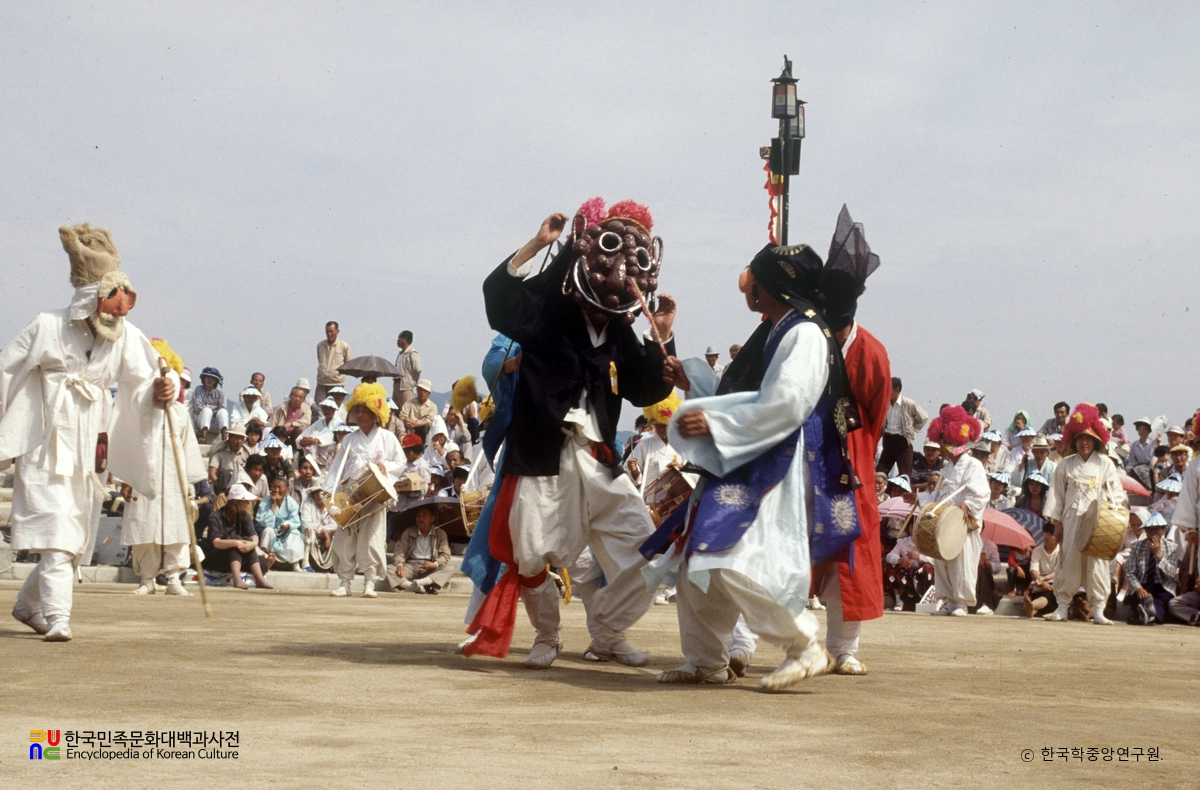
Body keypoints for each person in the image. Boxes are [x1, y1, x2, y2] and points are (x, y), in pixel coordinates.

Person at [466, 202, 675, 670]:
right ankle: (547, 636)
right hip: (543, 454)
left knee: (648, 548)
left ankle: (608, 632)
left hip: (600, 461)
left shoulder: (620, 333)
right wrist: (542, 244)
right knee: (530, 553)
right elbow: (499, 297)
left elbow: (647, 389)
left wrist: (661, 334)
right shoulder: (546, 315)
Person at [653, 236, 854, 689]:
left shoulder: (804, 332)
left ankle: (806, 646)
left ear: (770, 286)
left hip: (773, 464)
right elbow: (746, 391)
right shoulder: (779, 328)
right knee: (698, 558)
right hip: (747, 457)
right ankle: (707, 660)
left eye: (755, 278)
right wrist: (694, 382)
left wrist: (719, 424)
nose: (747, 285)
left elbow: (786, 403)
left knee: (726, 556)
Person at [3, 223, 178, 641]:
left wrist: (163, 390)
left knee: (72, 538)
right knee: (59, 534)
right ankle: (58, 617)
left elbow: (147, 378)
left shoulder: (125, 336)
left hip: (88, 447)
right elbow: (7, 372)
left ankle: (27, 606)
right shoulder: (47, 326)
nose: (114, 315)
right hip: (45, 443)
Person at [810, 205, 890, 676]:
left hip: (851, 463)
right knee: (796, 546)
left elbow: (875, 418)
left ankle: (844, 648)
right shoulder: (808, 340)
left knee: (851, 556)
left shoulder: (872, 352)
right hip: (808, 456)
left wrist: (855, 452)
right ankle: (777, 643)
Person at [121, 338, 207, 597]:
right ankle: (147, 579)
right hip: (145, 476)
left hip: (173, 477)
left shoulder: (180, 413)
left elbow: (188, 447)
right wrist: (127, 478)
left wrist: (188, 483)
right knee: (144, 526)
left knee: (175, 527)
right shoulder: (137, 409)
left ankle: (173, 578)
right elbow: (129, 442)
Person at [1045, 403, 1126, 625]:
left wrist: (1108, 512)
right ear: (1074, 440)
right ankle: (1063, 606)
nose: (1084, 442)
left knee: (1097, 564)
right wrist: (1057, 524)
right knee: (1068, 561)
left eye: (1088, 438)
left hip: (1097, 522)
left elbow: (1117, 494)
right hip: (1070, 519)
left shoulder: (1105, 464)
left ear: (1096, 440)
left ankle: (1098, 608)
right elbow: (1056, 496)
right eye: (1080, 438)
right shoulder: (1065, 465)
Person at [322, 382, 404, 598]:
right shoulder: (349, 439)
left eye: (364, 410)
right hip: (349, 495)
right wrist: (329, 493)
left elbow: (400, 462)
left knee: (372, 539)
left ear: (375, 413)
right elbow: (337, 468)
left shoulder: (387, 438)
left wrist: (386, 468)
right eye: (357, 410)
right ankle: (344, 582)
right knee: (345, 538)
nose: (359, 414)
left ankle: (369, 582)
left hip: (374, 495)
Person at [919, 405, 988, 617]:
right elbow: (936, 496)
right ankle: (948, 600)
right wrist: (920, 500)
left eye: (945, 444)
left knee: (962, 563)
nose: (942, 448)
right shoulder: (946, 468)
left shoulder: (974, 465)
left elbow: (981, 493)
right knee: (942, 562)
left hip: (963, 523)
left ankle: (961, 603)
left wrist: (967, 504)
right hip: (944, 523)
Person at [201, 484, 272, 589]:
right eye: (245, 500)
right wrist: (235, 543)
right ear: (236, 501)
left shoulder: (244, 516)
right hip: (216, 557)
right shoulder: (215, 517)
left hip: (236, 557)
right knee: (236, 540)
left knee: (248, 542)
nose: (248, 503)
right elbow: (216, 542)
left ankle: (260, 580)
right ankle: (237, 580)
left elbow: (253, 535)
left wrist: (252, 544)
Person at [1124, 512, 1178, 624]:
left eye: (1156, 530)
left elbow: (1172, 573)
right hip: (1142, 584)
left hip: (1162, 586)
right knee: (1142, 598)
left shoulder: (1172, 547)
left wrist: (1159, 556)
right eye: (1149, 530)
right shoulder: (1137, 546)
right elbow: (1129, 572)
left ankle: (1150, 616)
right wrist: (1138, 588)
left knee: (1160, 601)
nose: (1152, 533)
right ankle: (1146, 613)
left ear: (1163, 531)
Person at [625, 393, 683, 494]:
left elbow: (693, 473)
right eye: (658, 425)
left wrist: (680, 468)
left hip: (675, 497)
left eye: (665, 425)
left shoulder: (683, 446)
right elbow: (630, 475)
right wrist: (634, 471)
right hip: (649, 496)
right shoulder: (644, 444)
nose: (661, 429)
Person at [392, 503, 455, 594]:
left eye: (424, 515)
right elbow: (399, 551)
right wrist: (400, 564)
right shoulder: (408, 532)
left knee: (450, 568)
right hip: (411, 566)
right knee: (390, 569)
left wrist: (434, 564)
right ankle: (411, 586)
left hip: (430, 566)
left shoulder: (440, 534)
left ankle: (423, 582)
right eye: (418, 515)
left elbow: (445, 555)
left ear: (432, 518)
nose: (420, 518)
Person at [875, 377, 927, 478]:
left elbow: (924, 417)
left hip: (903, 442)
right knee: (880, 472)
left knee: (905, 474)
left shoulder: (908, 403)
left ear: (896, 390)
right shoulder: (885, 404)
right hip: (888, 441)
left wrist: (912, 429)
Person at [883, 520, 935, 612]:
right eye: (911, 527)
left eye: (917, 527)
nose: (914, 530)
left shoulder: (928, 542)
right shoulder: (902, 542)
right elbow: (889, 556)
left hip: (921, 575)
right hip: (906, 574)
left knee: (927, 568)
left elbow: (935, 560)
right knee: (891, 567)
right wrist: (900, 560)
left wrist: (918, 557)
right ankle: (898, 601)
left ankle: (924, 600)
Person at [256, 476, 305, 571]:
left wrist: (288, 525)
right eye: (274, 487)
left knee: (294, 533)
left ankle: (295, 564)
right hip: (270, 531)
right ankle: (266, 561)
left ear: (287, 490)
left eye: (279, 488)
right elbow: (264, 522)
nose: (276, 490)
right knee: (268, 530)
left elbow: (295, 520)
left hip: (285, 532)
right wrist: (272, 505)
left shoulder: (291, 502)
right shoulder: (265, 501)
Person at [1022, 523, 1060, 617]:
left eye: (1050, 534)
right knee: (1039, 594)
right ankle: (1032, 608)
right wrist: (1041, 581)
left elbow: (1058, 571)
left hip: (1054, 585)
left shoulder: (1061, 551)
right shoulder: (1037, 551)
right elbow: (1033, 570)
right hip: (1039, 583)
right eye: (1045, 533)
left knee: (1048, 596)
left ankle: (1032, 606)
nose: (1046, 536)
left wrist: (1044, 579)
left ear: (1057, 536)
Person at [315, 321, 351, 404]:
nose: (329, 334)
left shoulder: (344, 346)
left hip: (337, 384)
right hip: (321, 383)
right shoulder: (320, 346)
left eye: (331, 331)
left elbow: (348, 365)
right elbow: (320, 361)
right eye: (327, 331)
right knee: (318, 408)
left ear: (337, 331)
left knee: (334, 407)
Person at [208, 423, 249, 496]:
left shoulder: (246, 453)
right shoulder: (220, 451)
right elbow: (212, 472)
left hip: (240, 484)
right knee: (224, 473)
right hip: (224, 485)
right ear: (229, 438)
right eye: (236, 438)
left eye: (241, 438)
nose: (239, 441)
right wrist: (220, 484)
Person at [190, 367, 228, 444]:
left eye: (212, 378)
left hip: (215, 423)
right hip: (201, 422)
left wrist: (207, 408)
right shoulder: (198, 389)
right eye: (208, 377)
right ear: (203, 378)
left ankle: (225, 440)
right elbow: (198, 407)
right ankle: (203, 438)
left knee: (223, 412)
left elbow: (222, 407)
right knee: (206, 411)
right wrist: (213, 407)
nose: (210, 380)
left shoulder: (220, 392)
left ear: (216, 381)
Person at [298, 397, 338, 468]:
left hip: (331, 452)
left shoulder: (338, 422)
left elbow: (333, 437)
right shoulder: (319, 422)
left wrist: (314, 441)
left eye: (330, 409)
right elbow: (305, 434)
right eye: (325, 408)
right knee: (313, 433)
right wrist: (303, 440)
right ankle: (312, 464)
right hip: (317, 452)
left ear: (334, 410)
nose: (327, 411)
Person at [271, 381, 313, 447]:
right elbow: (273, 422)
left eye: (300, 397)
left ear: (303, 399)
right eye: (295, 396)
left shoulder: (306, 408)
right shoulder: (281, 406)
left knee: (302, 428)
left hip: (295, 435)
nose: (297, 399)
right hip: (282, 433)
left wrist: (291, 423)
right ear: (291, 396)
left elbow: (306, 422)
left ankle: (299, 449)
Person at [392, 330, 422, 407]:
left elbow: (417, 369)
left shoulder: (412, 353)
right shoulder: (400, 354)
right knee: (395, 409)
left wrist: (413, 382)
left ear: (405, 339)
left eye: (399, 338)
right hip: (397, 385)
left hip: (406, 386)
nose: (397, 340)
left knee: (406, 409)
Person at [973, 536, 1001, 615]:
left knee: (980, 570)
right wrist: (975, 562)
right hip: (968, 574)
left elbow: (997, 568)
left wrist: (986, 561)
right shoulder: (964, 544)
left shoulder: (990, 545)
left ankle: (986, 604)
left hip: (985, 578)